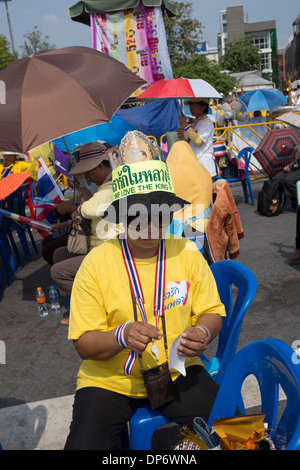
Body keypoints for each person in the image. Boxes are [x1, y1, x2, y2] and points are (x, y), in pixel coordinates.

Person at [64, 131, 226, 450]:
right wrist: (120, 336)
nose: (150, 224)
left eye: (159, 212)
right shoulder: (96, 264)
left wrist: (204, 333)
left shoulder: (188, 254)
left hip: (177, 370)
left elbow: (212, 312)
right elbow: (84, 344)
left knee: (236, 431)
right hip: (109, 380)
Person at [50, 141, 122, 325]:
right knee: (59, 254)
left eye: (89, 171)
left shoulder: (110, 187)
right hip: (98, 246)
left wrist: (74, 209)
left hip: (108, 251)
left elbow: (89, 210)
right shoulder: (104, 187)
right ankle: (82, 304)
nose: (88, 176)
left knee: (58, 272)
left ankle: (96, 306)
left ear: (101, 167)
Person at [177, 98, 216, 178]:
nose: (191, 108)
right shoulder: (194, 122)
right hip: (195, 165)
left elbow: (198, 141)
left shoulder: (206, 122)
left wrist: (185, 125)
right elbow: (188, 143)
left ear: (203, 107)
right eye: (190, 105)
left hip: (205, 166)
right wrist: (182, 137)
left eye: (194, 105)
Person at [275, 143, 300, 210]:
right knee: (279, 178)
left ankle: (296, 197)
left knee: (288, 180)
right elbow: (296, 160)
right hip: (296, 166)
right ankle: (288, 198)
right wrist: (289, 166)